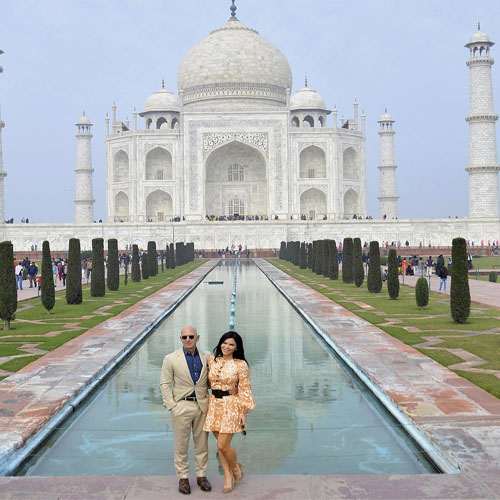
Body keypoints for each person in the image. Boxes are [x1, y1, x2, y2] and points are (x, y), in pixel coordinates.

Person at [160, 326, 212, 495]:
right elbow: (165, 384)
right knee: (181, 444)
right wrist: (172, 406)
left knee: (202, 444)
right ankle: (183, 478)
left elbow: (214, 380)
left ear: (198, 337)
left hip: (202, 405)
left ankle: (201, 475)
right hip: (181, 405)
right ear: (180, 339)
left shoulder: (207, 357)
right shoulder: (171, 358)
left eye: (191, 336)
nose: (188, 339)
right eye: (184, 337)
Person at [204, 331, 255, 493]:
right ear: (220, 343)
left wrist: (243, 411)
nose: (227, 346)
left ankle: (234, 469)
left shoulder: (240, 364)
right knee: (221, 447)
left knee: (222, 444)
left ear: (236, 347)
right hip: (214, 405)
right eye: (224, 343)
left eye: (231, 344)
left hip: (231, 405)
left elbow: (245, 388)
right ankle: (228, 474)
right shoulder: (213, 360)